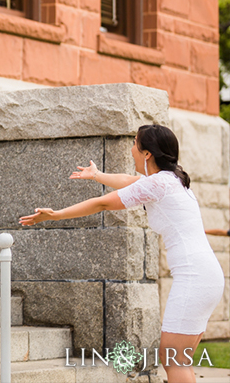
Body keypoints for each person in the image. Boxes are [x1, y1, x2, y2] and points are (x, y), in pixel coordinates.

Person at [20, 124, 224, 383]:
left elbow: (104, 202)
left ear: (147, 153)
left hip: (196, 278)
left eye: (134, 143)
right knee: (178, 360)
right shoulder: (170, 180)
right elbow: (129, 182)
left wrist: (55, 215)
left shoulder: (159, 184)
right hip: (206, 277)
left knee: (173, 360)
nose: (131, 150)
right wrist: (97, 175)